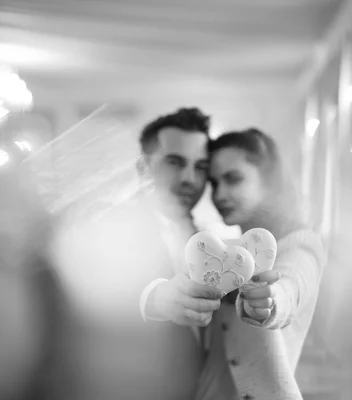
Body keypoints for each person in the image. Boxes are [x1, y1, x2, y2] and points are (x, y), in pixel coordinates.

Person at [53, 107, 224, 400]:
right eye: (174, 162)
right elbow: (87, 303)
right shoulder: (107, 222)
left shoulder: (203, 237)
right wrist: (153, 299)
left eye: (200, 166)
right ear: (144, 167)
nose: (189, 178)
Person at [195, 128, 326, 400]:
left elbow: (289, 288)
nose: (219, 195)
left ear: (268, 181)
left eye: (233, 179)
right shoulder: (233, 250)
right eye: (214, 183)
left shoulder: (300, 243)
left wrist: (268, 301)